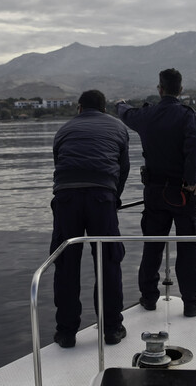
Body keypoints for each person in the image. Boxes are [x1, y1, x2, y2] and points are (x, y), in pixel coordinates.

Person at [115, 68, 196, 318]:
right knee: (189, 246)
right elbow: (195, 148)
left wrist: (121, 104)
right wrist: (191, 180)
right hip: (182, 193)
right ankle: (191, 302)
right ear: (180, 89)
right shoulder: (188, 116)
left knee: (152, 245)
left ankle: (148, 298)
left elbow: (127, 114)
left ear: (160, 89)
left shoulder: (147, 115)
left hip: (154, 192)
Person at [50, 89, 130, 347]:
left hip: (66, 199)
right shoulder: (118, 128)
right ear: (104, 109)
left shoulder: (64, 129)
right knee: (108, 261)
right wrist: (112, 198)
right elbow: (123, 168)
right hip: (101, 197)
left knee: (66, 264)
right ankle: (112, 330)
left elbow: (59, 165)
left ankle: (66, 333)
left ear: (79, 108)